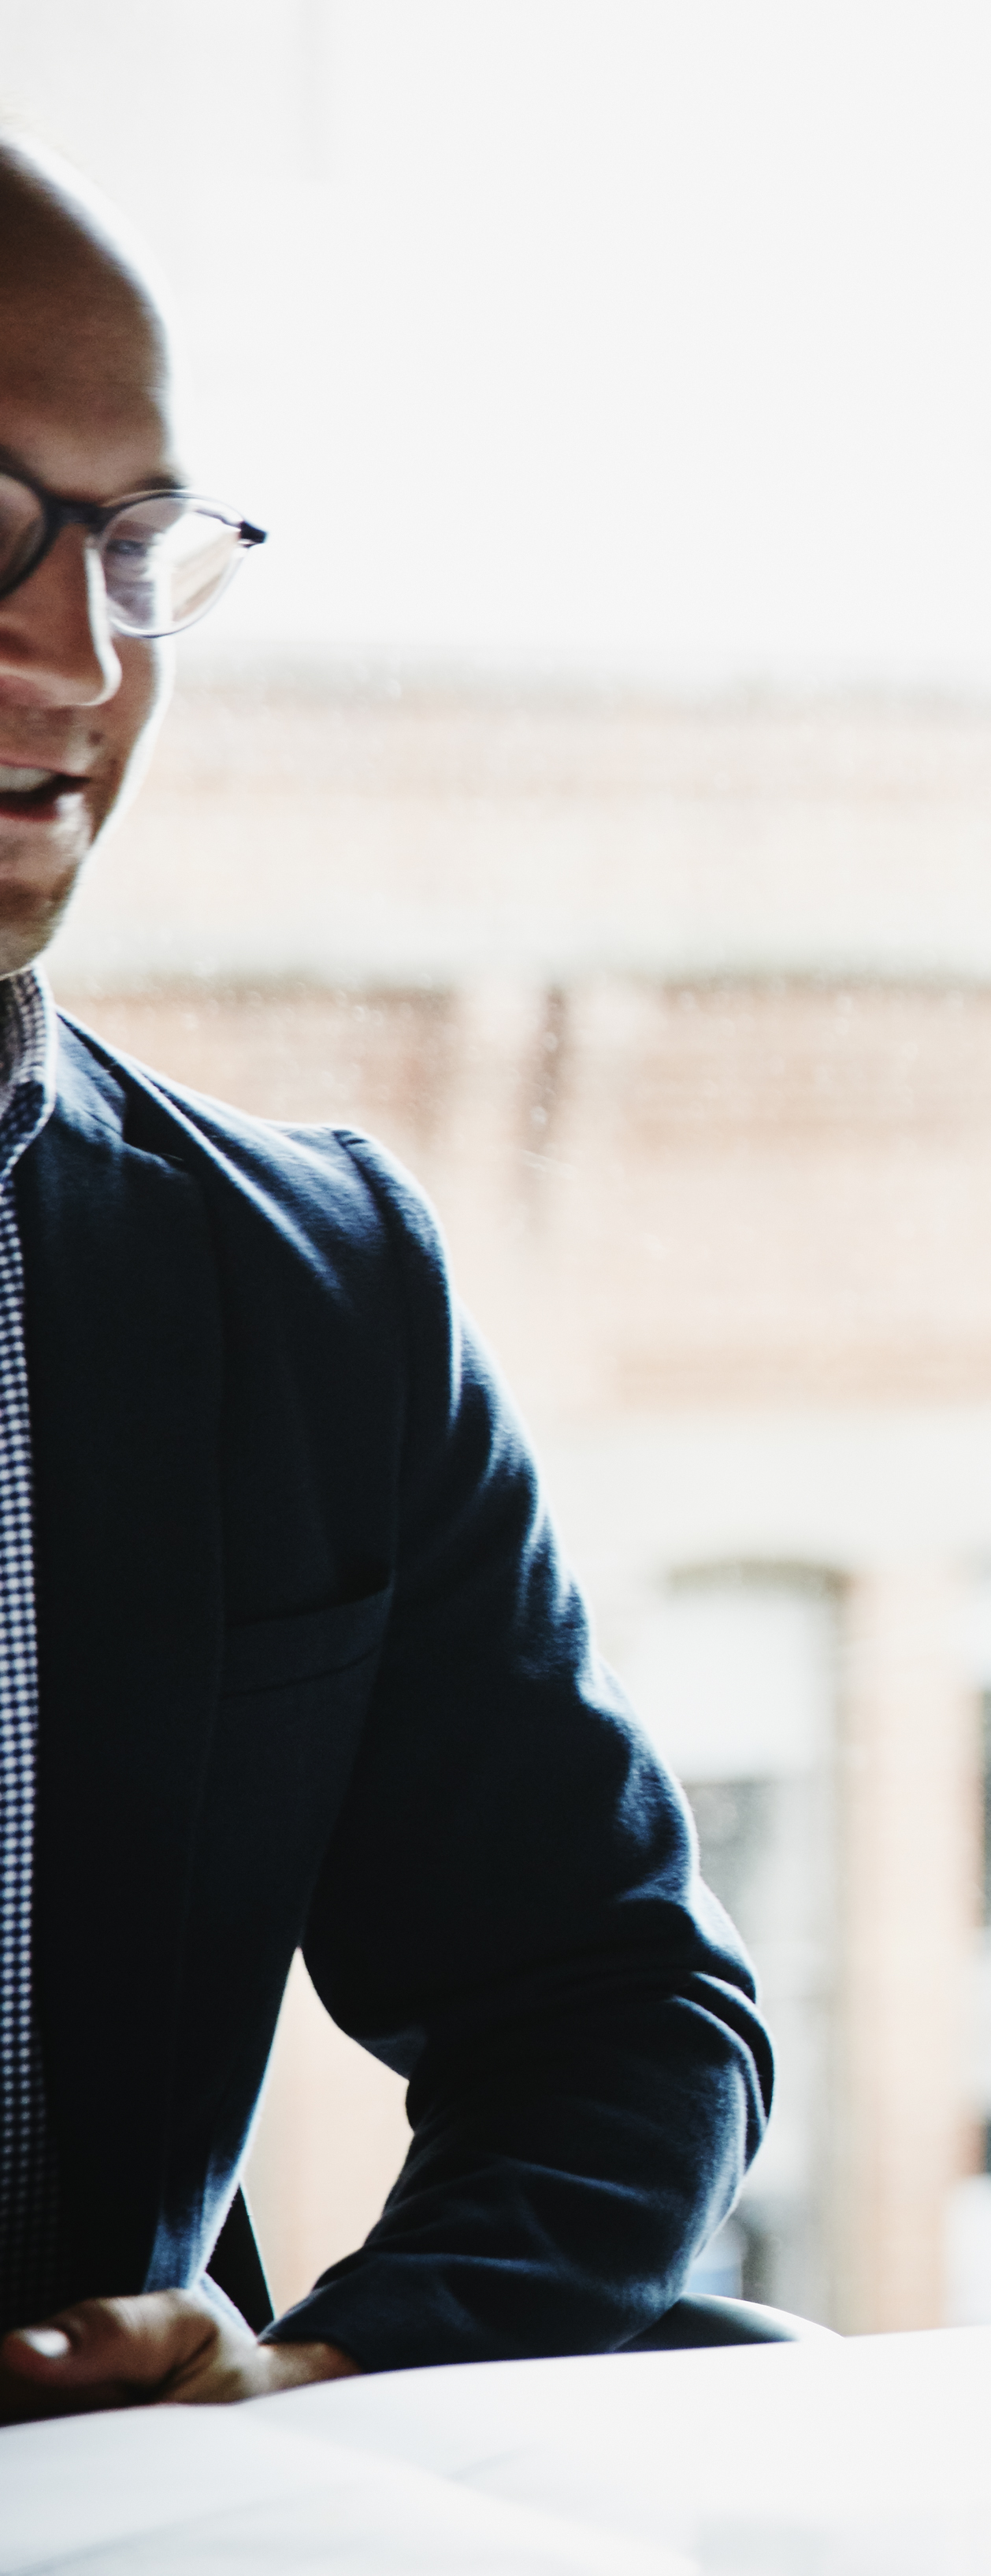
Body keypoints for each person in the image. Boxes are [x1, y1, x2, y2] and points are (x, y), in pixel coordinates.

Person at [0, 145, 769, 2419]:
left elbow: (614, 2012)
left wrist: (324, 2375)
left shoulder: (303, 1285)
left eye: (132, 549)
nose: (83, 656)